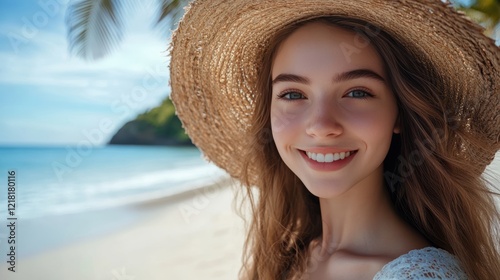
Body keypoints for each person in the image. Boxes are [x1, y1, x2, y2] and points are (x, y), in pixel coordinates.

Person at [169, 0, 500, 279]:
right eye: (294, 94)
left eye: (357, 92)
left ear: (398, 113)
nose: (321, 125)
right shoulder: (292, 258)